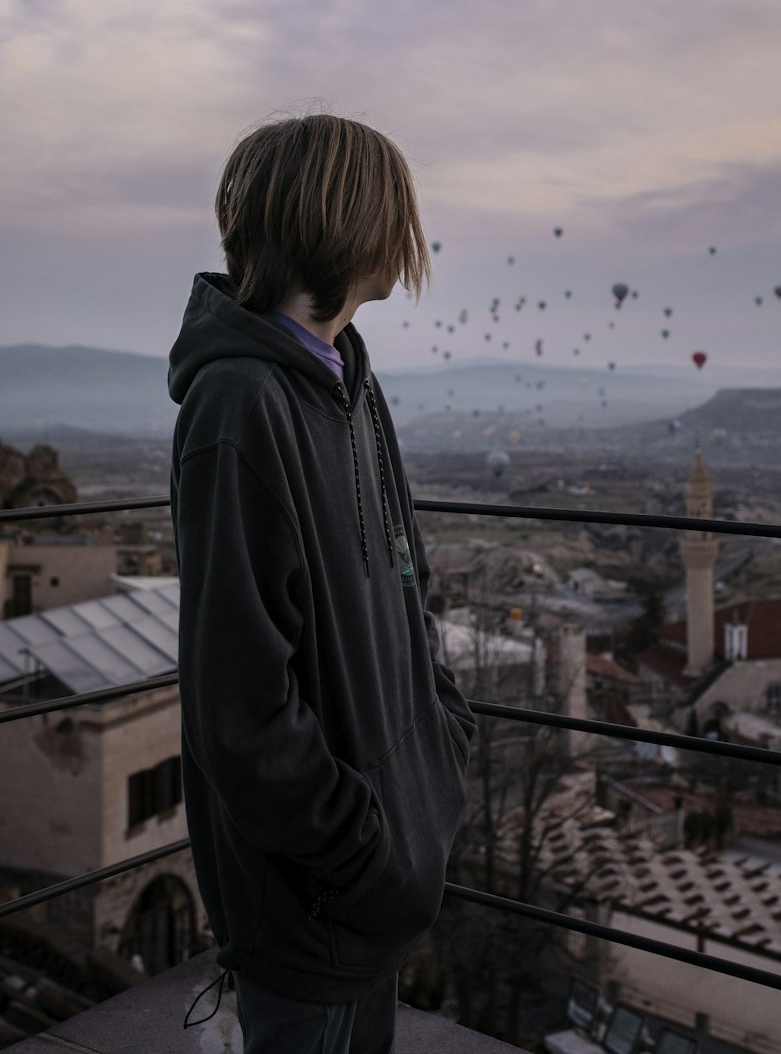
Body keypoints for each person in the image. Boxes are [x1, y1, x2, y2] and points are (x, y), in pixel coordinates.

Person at [169, 112, 476, 1053]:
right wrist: (364, 851)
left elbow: (403, 584)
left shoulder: (346, 380)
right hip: (315, 901)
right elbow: (241, 705)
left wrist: (440, 746)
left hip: (368, 889)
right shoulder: (241, 406)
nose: (412, 240)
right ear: (344, 220)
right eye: (399, 212)